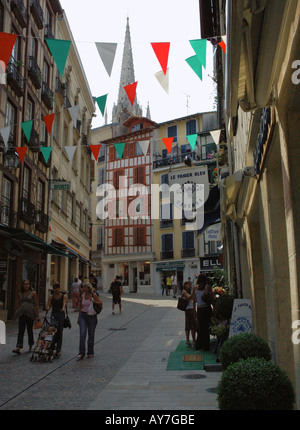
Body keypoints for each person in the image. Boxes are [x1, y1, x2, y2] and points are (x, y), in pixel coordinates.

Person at [12, 280, 40, 355]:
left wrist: (37, 315)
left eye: (27, 284)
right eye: (24, 284)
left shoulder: (33, 293)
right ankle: (18, 346)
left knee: (29, 330)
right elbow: (18, 304)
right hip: (22, 314)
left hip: (30, 314)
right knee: (21, 330)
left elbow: (36, 304)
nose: (26, 286)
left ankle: (30, 346)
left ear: (30, 285)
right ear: (22, 286)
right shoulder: (20, 294)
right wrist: (17, 312)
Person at [77, 282, 103, 360]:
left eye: (84, 287)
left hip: (92, 317)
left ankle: (90, 352)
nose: (83, 289)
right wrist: (79, 317)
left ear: (88, 288)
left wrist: (93, 301)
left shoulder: (93, 295)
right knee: (82, 334)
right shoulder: (82, 296)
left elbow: (100, 303)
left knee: (91, 335)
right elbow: (80, 308)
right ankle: (81, 353)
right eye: (83, 287)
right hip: (83, 316)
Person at [46, 282, 67, 358]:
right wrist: (48, 308)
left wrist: (63, 308)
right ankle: (51, 347)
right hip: (54, 314)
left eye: (57, 288)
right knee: (52, 330)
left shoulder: (63, 296)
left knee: (60, 331)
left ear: (59, 288)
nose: (56, 289)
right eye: (55, 288)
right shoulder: (51, 297)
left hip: (61, 315)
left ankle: (58, 350)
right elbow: (48, 304)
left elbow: (64, 303)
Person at [194, 274, 213, 351]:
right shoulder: (207, 287)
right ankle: (206, 345)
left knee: (200, 327)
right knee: (206, 327)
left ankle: (199, 345)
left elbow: (194, 300)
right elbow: (211, 298)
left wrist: (194, 311)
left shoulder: (195, 288)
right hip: (207, 308)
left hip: (200, 309)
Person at [182, 281, 197, 347]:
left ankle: (192, 340)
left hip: (191, 309)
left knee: (192, 325)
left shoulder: (190, 291)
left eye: (190, 285)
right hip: (188, 310)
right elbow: (189, 298)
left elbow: (194, 300)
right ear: (185, 285)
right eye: (188, 284)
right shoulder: (184, 292)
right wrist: (194, 292)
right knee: (189, 325)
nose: (190, 286)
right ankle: (189, 340)